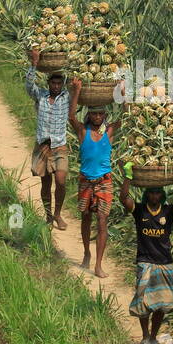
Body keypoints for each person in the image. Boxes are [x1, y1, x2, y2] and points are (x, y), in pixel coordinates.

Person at [118, 162, 173, 344]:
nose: (154, 196)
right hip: (145, 262)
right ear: (146, 194)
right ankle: (144, 337)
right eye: (151, 193)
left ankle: (153, 337)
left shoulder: (168, 211)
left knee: (161, 304)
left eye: (158, 193)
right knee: (143, 302)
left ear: (162, 195)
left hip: (164, 262)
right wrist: (128, 175)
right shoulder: (140, 210)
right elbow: (123, 198)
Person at [68, 78, 118, 278]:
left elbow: (128, 115)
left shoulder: (110, 132)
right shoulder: (83, 131)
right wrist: (77, 91)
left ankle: (98, 264)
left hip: (104, 182)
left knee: (102, 219)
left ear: (105, 115)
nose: (98, 117)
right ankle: (87, 253)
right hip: (86, 181)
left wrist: (121, 91)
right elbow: (71, 116)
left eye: (101, 114)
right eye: (94, 113)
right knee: (86, 218)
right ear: (89, 115)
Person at [26, 48, 71, 229]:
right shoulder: (41, 96)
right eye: (53, 83)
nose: (56, 86)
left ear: (62, 84)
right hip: (43, 145)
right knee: (46, 183)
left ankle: (58, 214)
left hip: (60, 146)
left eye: (59, 83)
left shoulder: (66, 97)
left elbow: (78, 94)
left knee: (60, 180)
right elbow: (29, 86)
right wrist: (34, 63)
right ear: (49, 83)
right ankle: (48, 215)